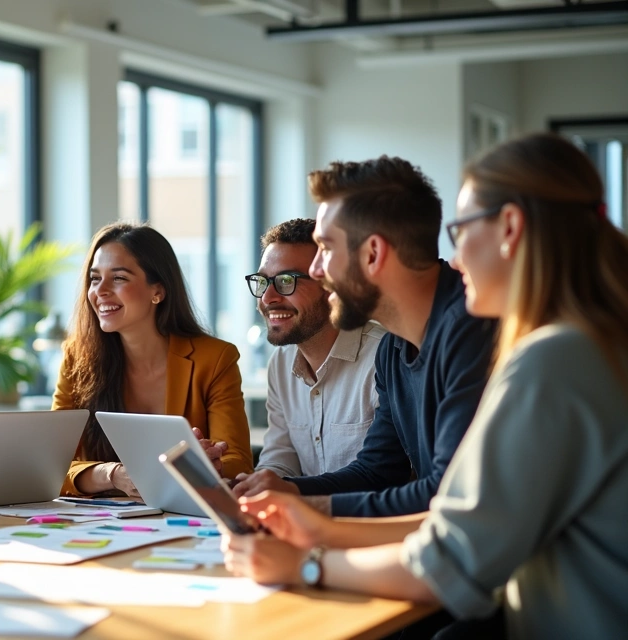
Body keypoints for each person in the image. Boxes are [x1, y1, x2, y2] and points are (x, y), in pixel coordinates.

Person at [226, 133, 628, 639]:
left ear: (509, 228)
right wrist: (310, 517)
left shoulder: (552, 358)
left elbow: (455, 554)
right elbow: (444, 507)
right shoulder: (582, 343)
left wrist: (306, 561)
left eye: (460, 232)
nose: (454, 258)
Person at [233, 156, 497, 517]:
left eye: (325, 249)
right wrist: (287, 493)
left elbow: (447, 494)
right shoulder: (394, 349)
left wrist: (305, 516)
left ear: (373, 253)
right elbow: (376, 471)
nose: (316, 271)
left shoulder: (472, 332)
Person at [53, 222, 251, 497]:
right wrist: (112, 475)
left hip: (183, 517)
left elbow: (238, 461)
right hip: (99, 522)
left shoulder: (215, 358)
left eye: (119, 278)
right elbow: (50, 466)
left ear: (157, 290)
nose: (100, 291)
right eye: (95, 278)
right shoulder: (77, 359)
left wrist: (204, 464)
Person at [233, 218, 385, 488]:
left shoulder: (382, 357)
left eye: (286, 281)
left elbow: (382, 474)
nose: (268, 298)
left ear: (331, 286)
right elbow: (281, 458)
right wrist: (256, 486)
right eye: (262, 281)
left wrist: (292, 491)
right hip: (302, 522)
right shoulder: (280, 364)